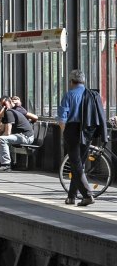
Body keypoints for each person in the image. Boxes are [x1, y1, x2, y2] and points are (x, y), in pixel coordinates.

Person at [57, 69, 108, 207]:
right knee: (79, 164)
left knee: (76, 163)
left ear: (71, 81)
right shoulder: (91, 94)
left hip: (72, 130)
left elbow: (62, 119)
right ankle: (71, 197)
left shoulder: (69, 95)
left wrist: (65, 132)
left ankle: (87, 195)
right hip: (88, 131)